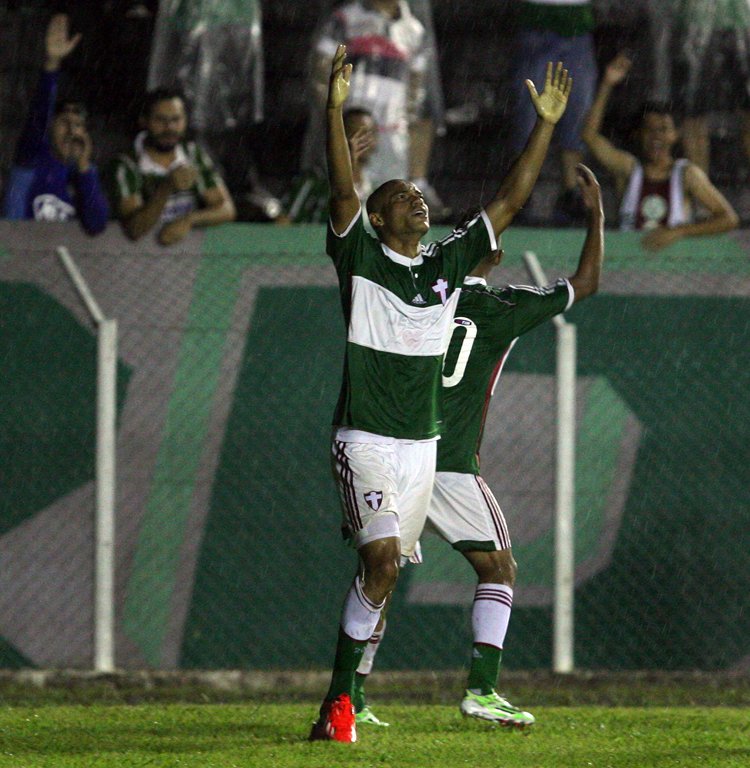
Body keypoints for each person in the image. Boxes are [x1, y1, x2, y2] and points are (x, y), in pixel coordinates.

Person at [309, 44, 572, 743]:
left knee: (387, 574)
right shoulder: (360, 257)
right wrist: (332, 111)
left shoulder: (449, 265)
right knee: (383, 561)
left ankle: (349, 699)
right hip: (364, 438)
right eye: (401, 198)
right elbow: (341, 192)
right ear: (379, 216)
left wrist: (544, 125)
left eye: (418, 196)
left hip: (421, 451)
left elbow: (511, 201)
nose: (415, 201)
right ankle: (337, 707)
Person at [353, 164, 604, 729]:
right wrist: (597, 217)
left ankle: (354, 695)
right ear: (486, 254)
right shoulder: (498, 308)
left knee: (379, 576)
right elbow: (585, 284)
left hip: (393, 450)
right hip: (449, 464)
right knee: (498, 567)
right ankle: (481, 690)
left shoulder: (410, 289)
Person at [304, 1, 453, 220]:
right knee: (344, 191)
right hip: (352, 125)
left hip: (392, 135)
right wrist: (336, 115)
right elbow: (321, 70)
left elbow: (416, 87)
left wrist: (404, 122)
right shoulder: (345, 19)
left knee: (389, 199)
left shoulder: (413, 30)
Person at [582, 53, 738, 250]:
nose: (656, 136)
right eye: (649, 129)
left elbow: (728, 219)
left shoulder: (687, 174)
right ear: (639, 134)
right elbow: (589, 136)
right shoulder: (629, 169)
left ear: (675, 135)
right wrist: (606, 84)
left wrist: (679, 232)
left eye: (663, 129)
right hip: (626, 266)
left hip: (670, 272)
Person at [3, 14, 109, 235]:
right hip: (17, 262)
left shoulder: (85, 174)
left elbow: (96, 224)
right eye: (64, 122)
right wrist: (52, 65)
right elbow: (38, 118)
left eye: (78, 124)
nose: (71, 130)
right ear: (50, 127)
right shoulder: (31, 159)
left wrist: (83, 167)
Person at [508, 0, 597, 226]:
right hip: (536, 17)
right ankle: (519, 194)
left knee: (576, 111)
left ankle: (572, 194)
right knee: (529, 115)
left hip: (577, 19)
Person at [110, 88, 236, 245]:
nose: (169, 128)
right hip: (135, 258)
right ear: (144, 121)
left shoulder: (192, 154)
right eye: (160, 120)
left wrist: (189, 220)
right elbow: (135, 229)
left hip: (186, 258)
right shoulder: (127, 164)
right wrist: (167, 186)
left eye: (176, 120)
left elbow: (226, 209)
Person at [671, 0, 750, 176]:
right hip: (695, 23)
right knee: (693, 112)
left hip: (742, 19)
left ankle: (699, 190)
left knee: (746, 109)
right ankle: (700, 192)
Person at [282, 108, 377, 223]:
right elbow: (282, 225)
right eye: (354, 132)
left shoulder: (378, 192)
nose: (363, 140)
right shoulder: (313, 183)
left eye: (368, 133)